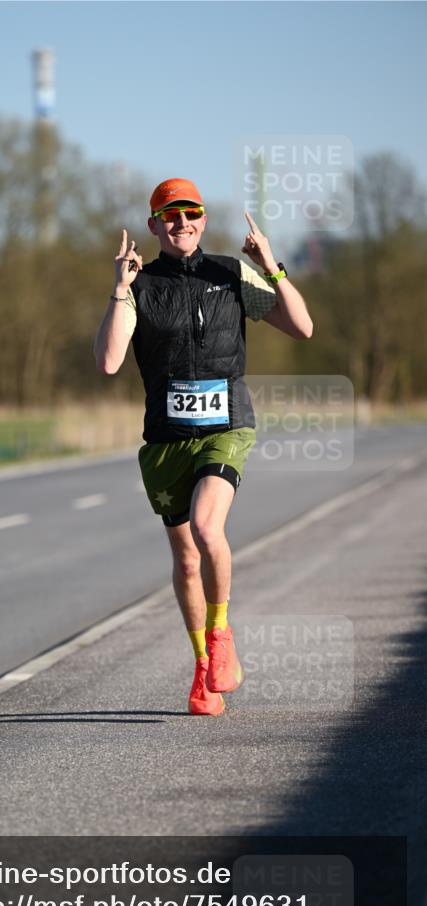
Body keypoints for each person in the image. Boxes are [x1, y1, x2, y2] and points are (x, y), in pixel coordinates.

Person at [94, 178, 313, 716]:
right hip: (166, 443)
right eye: (170, 216)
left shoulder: (231, 273)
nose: (182, 223)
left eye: (190, 213)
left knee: (207, 528)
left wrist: (271, 265)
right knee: (187, 562)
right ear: (153, 226)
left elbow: (302, 327)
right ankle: (203, 670)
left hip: (226, 428)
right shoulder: (142, 287)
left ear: (203, 219)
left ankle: (221, 637)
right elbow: (109, 361)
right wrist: (120, 288)